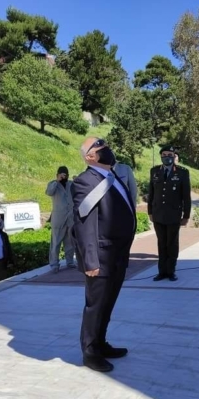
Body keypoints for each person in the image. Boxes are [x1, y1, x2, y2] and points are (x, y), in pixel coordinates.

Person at [72, 137, 136, 373]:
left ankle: (100, 343)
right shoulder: (85, 181)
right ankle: (90, 352)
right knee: (96, 306)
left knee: (108, 304)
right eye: (101, 146)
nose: (107, 149)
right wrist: (90, 260)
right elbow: (84, 223)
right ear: (90, 156)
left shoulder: (112, 176)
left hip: (117, 254)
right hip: (101, 255)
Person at [148, 146, 191, 281]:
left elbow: (186, 196)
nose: (167, 157)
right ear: (161, 156)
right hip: (158, 213)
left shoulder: (182, 172)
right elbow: (151, 193)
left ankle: (171, 271)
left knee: (172, 243)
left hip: (173, 214)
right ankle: (162, 272)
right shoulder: (155, 171)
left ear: (174, 156)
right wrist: (150, 211)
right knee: (161, 243)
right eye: (164, 155)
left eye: (170, 154)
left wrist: (186, 215)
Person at [45, 166, 75, 272]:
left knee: (70, 243)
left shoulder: (71, 184)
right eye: (61, 174)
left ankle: (70, 261)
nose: (63, 177)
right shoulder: (53, 184)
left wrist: (78, 180)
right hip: (58, 219)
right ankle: (54, 264)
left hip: (70, 218)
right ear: (57, 175)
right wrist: (57, 181)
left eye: (65, 175)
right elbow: (49, 192)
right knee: (55, 243)